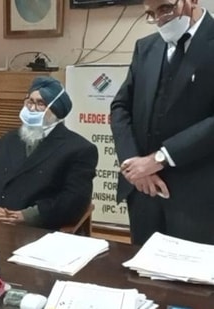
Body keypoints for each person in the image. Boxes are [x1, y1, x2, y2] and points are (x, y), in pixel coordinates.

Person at [110, 0, 214, 245]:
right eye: (151, 13)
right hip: (143, 191)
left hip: (196, 195)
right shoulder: (145, 47)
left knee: (190, 278)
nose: (160, 19)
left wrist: (159, 159)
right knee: (142, 272)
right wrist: (133, 166)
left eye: (166, 8)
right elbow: (120, 107)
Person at [0, 76, 98, 229]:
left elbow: (74, 200)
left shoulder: (79, 149)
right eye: (30, 102)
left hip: (40, 229)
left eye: (41, 103)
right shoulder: (6, 141)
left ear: (57, 110)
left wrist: (29, 216)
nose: (32, 109)